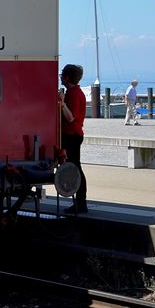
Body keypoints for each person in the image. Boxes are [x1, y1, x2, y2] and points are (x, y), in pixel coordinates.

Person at [59, 63, 88, 214]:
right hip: (72, 135)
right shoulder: (74, 92)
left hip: (73, 135)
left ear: (67, 77)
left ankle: (81, 203)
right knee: (75, 167)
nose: (60, 78)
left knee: (76, 168)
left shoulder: (74, 94)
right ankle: (80, 202)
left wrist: (62, 104)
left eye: (62, 75)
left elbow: (71, 118)